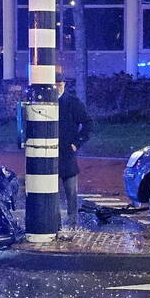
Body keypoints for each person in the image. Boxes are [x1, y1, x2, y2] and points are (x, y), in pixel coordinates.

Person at [57, 78, 93, 229]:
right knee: (50, 191)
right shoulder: (45, 102)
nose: (57, 87)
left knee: (70, 190)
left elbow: (88, 123)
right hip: (50, 152)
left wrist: (76, 143)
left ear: (64, 84)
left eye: (59, 84)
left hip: (66, 152)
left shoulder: (73, 102)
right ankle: (56, 221)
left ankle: (72, 221)